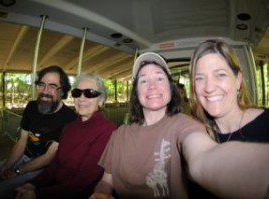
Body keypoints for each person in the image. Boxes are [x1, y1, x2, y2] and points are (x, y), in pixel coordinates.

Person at [89, 52, 269, 199]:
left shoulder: (183, 124)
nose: (152, 86)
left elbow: (203, 156)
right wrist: (101, 192)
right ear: (136, 92)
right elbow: (107, 180)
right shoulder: (120, 134)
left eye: (160, 78)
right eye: (143, 80)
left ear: (170, 87)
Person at [15, 72, 116, 199]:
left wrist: (37, 194)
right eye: (77, 92)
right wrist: (32, 184)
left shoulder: (107, 130)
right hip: (54, 188)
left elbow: (83, 181)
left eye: (90, 93)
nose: (82, 98)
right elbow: (55, 165)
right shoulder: (69, 127)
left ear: (101, 100)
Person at [188, 39, 269, 198]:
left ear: (238, 80)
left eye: (220, 74)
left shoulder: (266, 124)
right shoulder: (195, 133)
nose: (209, 87)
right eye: (200, 78)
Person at [0, 65, 77, 199]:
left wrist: (16, 171)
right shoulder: (31, 107)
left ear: (62, 92)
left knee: (2, 190)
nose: (45, 91)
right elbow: (22, 141)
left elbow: (48, 158)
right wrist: (7, 166)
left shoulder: (69, 118)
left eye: (52, 86)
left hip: (43, 167)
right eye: (42, 84)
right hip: (23, 156)